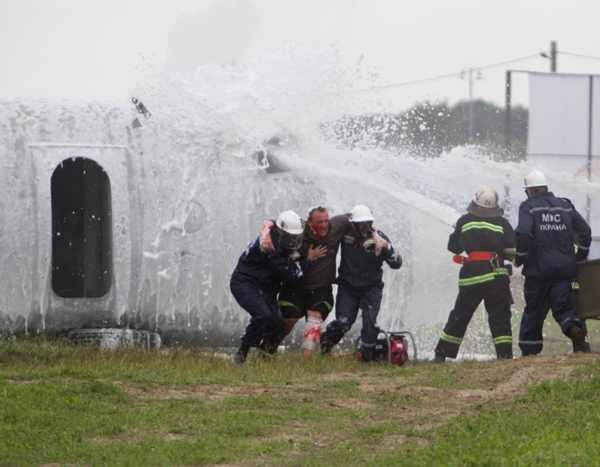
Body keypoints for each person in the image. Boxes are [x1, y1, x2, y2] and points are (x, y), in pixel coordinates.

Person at [432, 186, 516, 363]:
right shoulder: (503, 223)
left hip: (473, 276)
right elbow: (510, 252)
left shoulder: (465, 221)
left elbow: (454, 248)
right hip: (496, 276)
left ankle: (441, 354)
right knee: (500, 317)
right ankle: (505, 356)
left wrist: (458, 230)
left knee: (460, 315)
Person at [230, 210, 326, 365]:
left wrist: (266, 229)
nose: (293, 242)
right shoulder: (269, 248)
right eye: (290, 237)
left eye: (296, 237)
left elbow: (270, 221)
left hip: (266, 287)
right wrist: (309, 259)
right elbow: (291, 273)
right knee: (263, 315)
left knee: (278, 323)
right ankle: (242, 352)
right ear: (280, 231)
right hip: (246, 282)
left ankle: (264, 357)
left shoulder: (276, 229)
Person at [512, 170, 592, 356]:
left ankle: (529, 352)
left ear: (529, 191)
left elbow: (523, 234)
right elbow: (585, 232)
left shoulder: (528, 207)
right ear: (547, 187)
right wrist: (579, 256)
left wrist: (519, 258)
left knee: (533, 310)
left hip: (538, 271)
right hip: (564, 271)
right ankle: (574, 331)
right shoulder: (565, 206)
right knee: (563, 307)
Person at [260, 206, 351, 356]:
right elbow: (271, 223)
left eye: (325, 221)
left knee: (315, 315)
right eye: (319, 222)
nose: (323, 225)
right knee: (289, 319)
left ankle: (306, 360)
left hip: (321, 287)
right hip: (296, 285)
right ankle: (267, 351)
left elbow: (360, 218)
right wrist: (266, 236)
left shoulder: (336, 226)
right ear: (308, 222)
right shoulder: (298, 228)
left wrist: (373, 234)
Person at [320, 204, 402, 362]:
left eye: (368, 224)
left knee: (370, 321)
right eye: (361, 224)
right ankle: (325, 347)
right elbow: (328, 234)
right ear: (353, 225)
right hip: (348, 287)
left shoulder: (379, 237)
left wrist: (385, 246)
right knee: (343, 323)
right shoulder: (345, 235)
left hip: (371, 288)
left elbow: (397, 263)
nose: (365, 227)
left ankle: (367, 357)